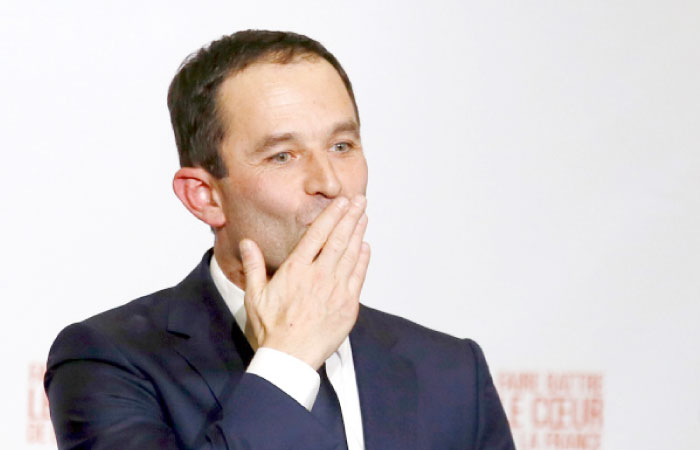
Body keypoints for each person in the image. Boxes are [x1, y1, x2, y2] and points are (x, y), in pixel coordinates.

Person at [44, 30, 515, 450]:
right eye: (283, 156)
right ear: (205, 196)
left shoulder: (452, 372)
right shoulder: (109, 361)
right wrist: (288, 361)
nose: (329, 182)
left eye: (341, 146)